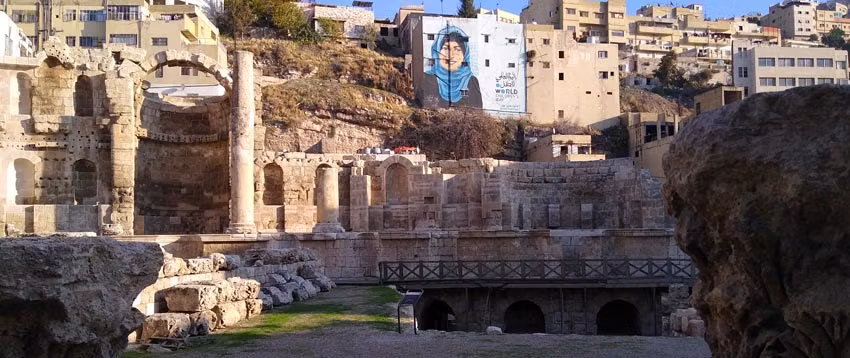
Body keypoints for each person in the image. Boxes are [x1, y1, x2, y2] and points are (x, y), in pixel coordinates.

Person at [417, 26, 482, 108]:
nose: (451, 55)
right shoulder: (427, 79)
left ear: (464, 55)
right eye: (446, 48)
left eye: (457, 49)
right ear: (437, 52)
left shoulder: (471, 81)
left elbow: (477, 111)